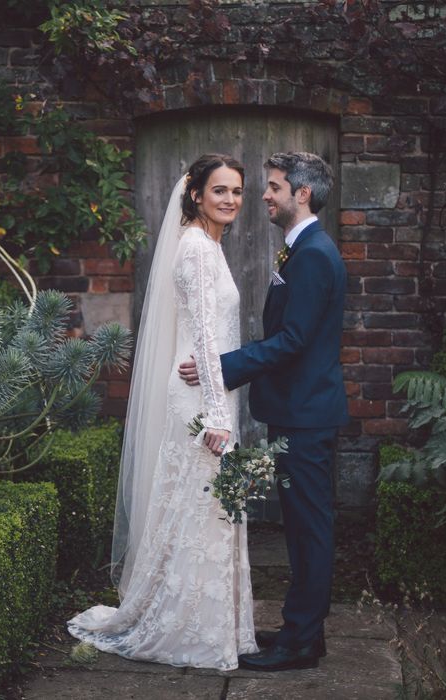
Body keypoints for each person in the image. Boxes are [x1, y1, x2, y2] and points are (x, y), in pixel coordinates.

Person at [67, 154, 259, 670]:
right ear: (195, 194)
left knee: (209, 510)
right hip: (200, 401)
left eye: (237, 191)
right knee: (202, 509)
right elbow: (201, 336)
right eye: (220, 190)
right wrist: (218, 417)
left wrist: (225, 405)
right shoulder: (196, 250)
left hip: (213, 393)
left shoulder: (210, 246)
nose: (231, 200)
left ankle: (213, 626)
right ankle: (187, 628)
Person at [178, 151, 348, 671]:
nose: (264, 197)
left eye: (273, 187)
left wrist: (222, 366)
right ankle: (302, 631)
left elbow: (293, 340)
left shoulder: (315, 253)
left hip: (306, 415)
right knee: (301, 527)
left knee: (309, 529)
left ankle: (300, 643)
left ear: (302, 193)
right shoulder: (301, 250)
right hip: (299, 410)